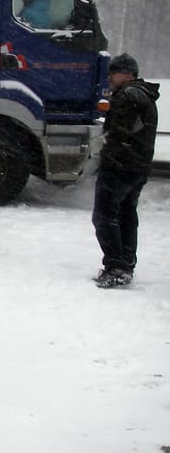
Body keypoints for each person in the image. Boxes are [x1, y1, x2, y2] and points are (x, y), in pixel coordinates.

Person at [91, 53, 159, 288]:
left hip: (120, 166)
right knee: (126, 216)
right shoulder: (145, 95)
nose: (110, 76)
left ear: (128, 74)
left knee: (104, 216)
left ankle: (116, 267)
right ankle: (126, 264)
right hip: (137, 167)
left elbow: (121, 132)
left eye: (114, 72)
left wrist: (107, 145)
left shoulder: (128, 95)